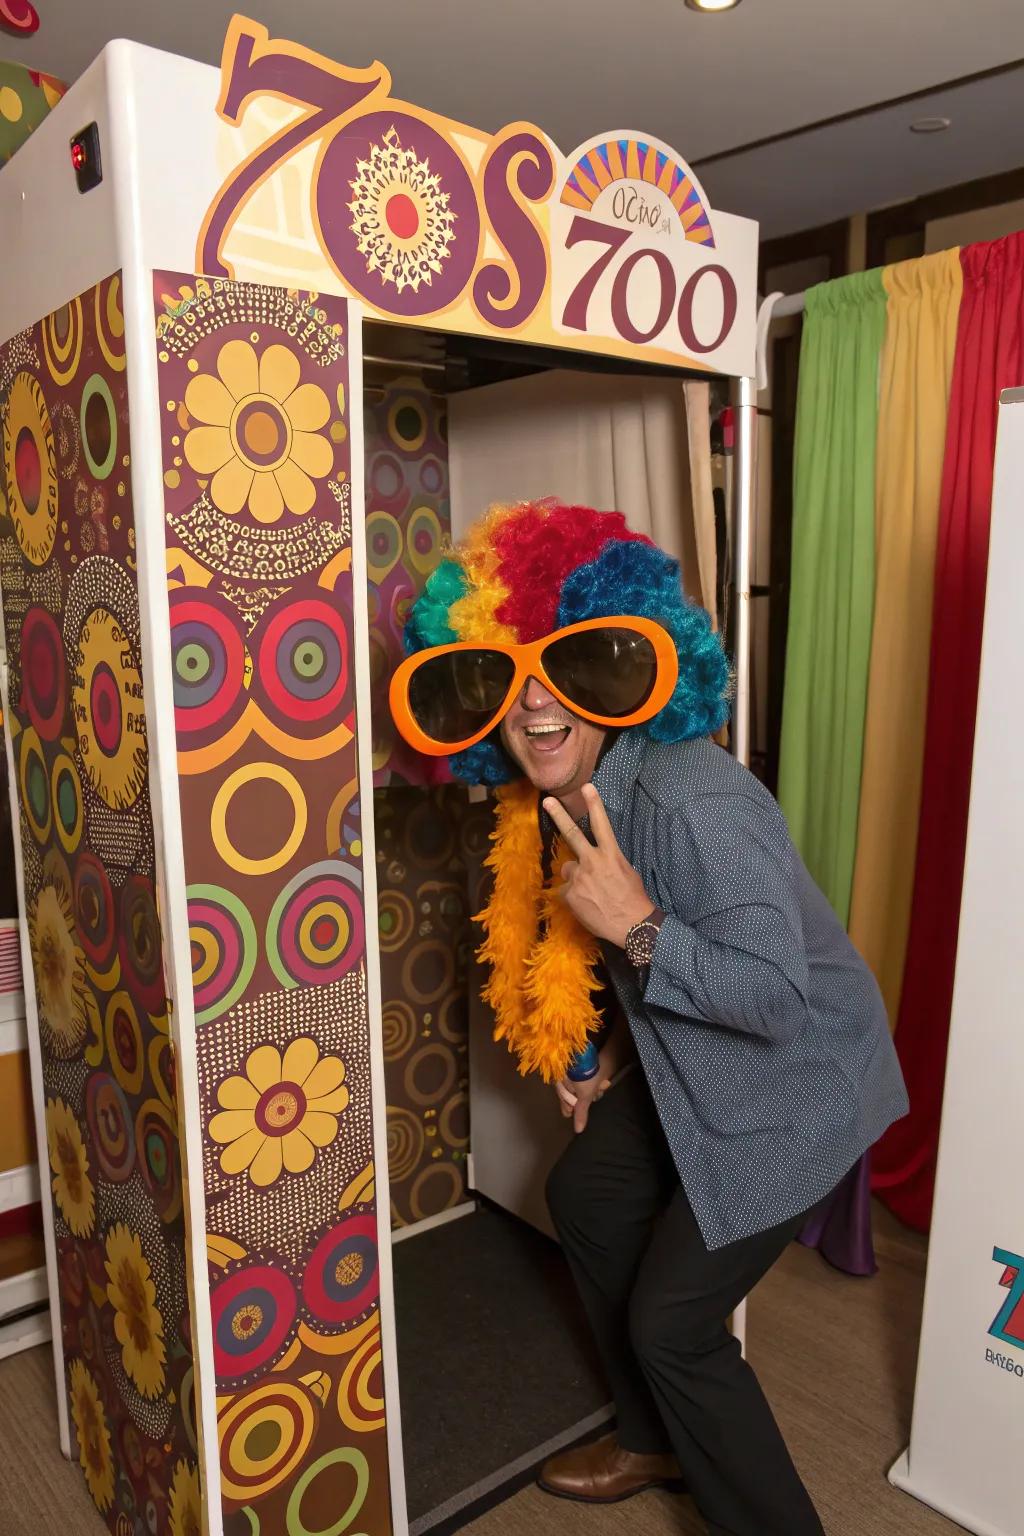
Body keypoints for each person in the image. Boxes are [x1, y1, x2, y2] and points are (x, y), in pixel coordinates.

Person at [391, 500, 908, 1536]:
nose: (533, 702)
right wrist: (612, 1058)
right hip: (688, 1061)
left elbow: (771, 1000)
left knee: (673, 1325)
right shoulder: (572, 794)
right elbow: (632, 956)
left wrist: (636, 930)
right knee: (585, 1187)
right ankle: (651, 1438)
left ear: (622, 668)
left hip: (797, 1085)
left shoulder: (686, 802)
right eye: (503, 674)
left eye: (565, 665)